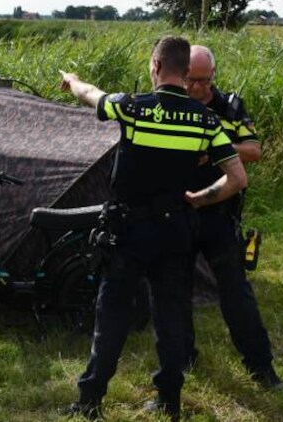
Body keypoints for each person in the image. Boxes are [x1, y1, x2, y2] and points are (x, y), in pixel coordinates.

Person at [60, 36, 247, 420]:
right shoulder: (207, 120)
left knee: (112, 313)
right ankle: (169, 400)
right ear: (185, 71)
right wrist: (202, 198)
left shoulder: (133, 108)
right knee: (171, 314)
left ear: (156, 66)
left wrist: (72, 78)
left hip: (130, 231)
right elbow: (237, 177)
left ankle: (90, 401)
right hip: (177, 228)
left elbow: (90, 94)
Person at [182, 45, 283, 389]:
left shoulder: (231, 108)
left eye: (204, 81)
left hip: (219, 214)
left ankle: (261, 367)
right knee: (175, 290)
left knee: (235, 292)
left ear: (214, 75)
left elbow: (254, 150)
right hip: (177, 213)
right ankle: (182, 360)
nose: (197, 88)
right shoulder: (169, 104)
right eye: (191, 81)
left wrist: (215, 149)